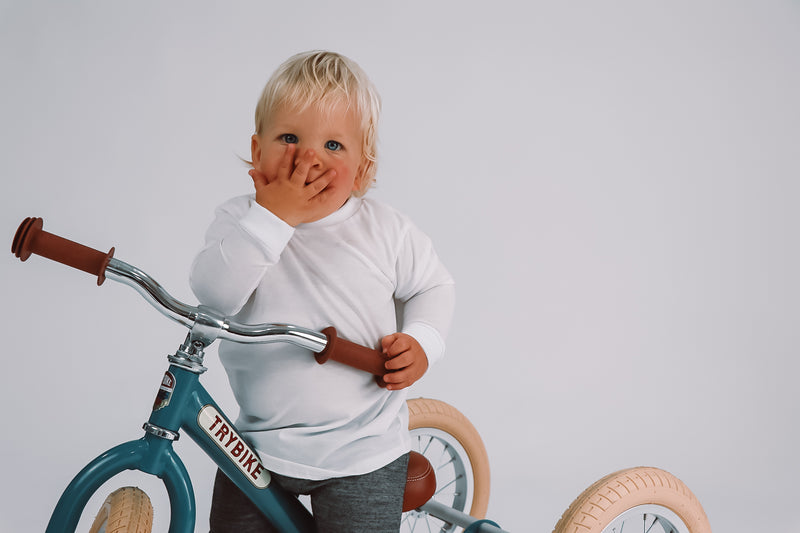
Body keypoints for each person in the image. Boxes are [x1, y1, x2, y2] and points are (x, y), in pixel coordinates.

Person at [190, 50, 455, 532]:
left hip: (361, 448)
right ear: (257, 150)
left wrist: (423, 341)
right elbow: (214, 296)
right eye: (289, 138)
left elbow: (433, 286)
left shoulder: (384, 230)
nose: (308, 157)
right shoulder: (240, 221)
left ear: (363, 166)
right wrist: (273, 217)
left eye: (333, 145)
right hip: (256, 444)